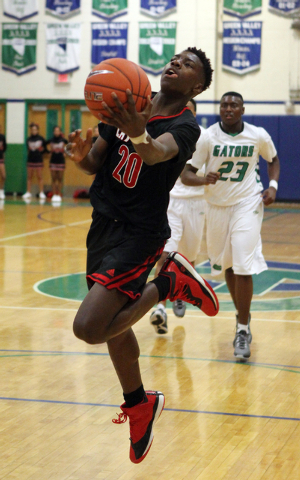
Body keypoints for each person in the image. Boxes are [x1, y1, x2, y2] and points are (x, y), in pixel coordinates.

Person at [65, 48, 219, 464]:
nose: (175, 64)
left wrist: (138, 132)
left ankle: (170, 282)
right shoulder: (129, 99)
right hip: (103, 226)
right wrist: (81, 158)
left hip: (139, 233)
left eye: (187, 65)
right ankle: (138, 404)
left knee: (89, 328)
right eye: (174, 58)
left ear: (198, 86)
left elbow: (156, 153)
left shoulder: (187, 126)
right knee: (114, 327)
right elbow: (98, 160)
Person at [181, 91, 280, 361]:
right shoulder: (208, 137)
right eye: (224, 104)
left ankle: (242, 328)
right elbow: (187, 173)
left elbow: (273, 160)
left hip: (248, 203)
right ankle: (242, 314)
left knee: (242, 264)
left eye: (233, 105)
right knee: (227, 265)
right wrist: (203, 179)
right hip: (216, 208)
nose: (228, 108)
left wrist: (273, 186)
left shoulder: (258, 134)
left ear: (242, 110)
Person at [150, 98, 219, 334]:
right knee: (166, 253)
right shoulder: (170, 132)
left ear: (195, 114)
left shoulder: (206, 137)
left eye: (189, 110)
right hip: (171, 201)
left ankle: (178, 290)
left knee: (188, 257)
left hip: (196, 203)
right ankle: (159, 307)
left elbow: (203, 171)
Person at [22, 123, 47, 200]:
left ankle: (41, 192)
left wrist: (41, 151)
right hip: (30, 160)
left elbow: (45, 148)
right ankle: (28, 192)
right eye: (32, 130)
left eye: (35, 129)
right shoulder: (28, 139)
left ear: (38, 130)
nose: (34, 131)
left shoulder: (41, 139)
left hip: (38, 160)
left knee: (39, 176)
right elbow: (28, 149)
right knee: (29, 176)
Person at [47, 126, 68, 203]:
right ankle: (54, 194)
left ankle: (59, 194)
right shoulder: (51, 140)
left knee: (59, 178)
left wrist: (65, 152)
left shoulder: (63, 140)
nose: (56, 132)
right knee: (53, 178)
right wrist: (48, 151)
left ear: (60, 132)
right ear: (53, 132)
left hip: (61, 161)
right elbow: (44, 144)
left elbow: (70, 145)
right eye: (55, 131)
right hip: (53, 160)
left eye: (58, 131)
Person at [0, 126, 7, 200]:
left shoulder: (2, 137)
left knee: (3, 175)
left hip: (0, 158)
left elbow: (4, 148)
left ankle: (1, 191)